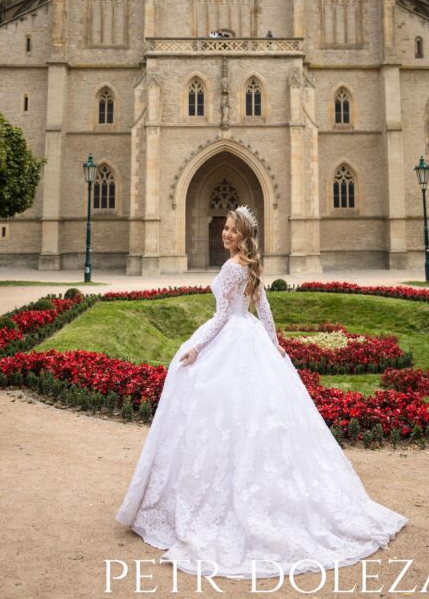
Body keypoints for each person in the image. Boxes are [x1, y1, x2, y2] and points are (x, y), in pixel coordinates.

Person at [115, 205, 408, 580]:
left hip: (232, 338)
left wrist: (197, 348)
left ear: (243, 235)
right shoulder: (250, 263)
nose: (226, 234)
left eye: (232, 230)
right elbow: (262, 307)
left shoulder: (231, 267)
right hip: (250, 335)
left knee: (221, 413)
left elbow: (223, 317)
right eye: (224, 228)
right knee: (255, 418)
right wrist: (273, 341)